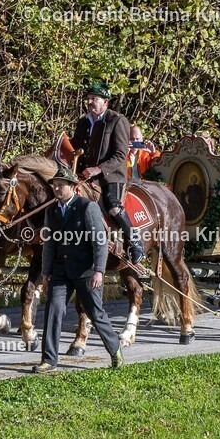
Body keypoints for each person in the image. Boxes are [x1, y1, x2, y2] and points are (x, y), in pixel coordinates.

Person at [33, 167, 124, 374]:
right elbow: (49, 245)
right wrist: (45, 274)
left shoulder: (87, 207)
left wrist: (99, 271)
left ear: (72, 187)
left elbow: (100, 243)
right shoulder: (51, 211)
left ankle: (115, 349)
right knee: (53, 311)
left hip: (86, 271)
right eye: (55, 185)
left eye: (61, 185)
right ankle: (49, 360)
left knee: (95, 312)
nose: (56, 188)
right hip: (60, 272)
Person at [71, 80, 143, 264]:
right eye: (88, 99)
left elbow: (120, 154)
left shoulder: (117, 120)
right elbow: (75, 148)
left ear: (106, 102)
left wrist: (99, 169)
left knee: (112, 206)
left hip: (112, 176)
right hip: (85, 176)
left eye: (94, 99)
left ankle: (135, 241)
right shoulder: (83, 123)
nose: (89, 102)